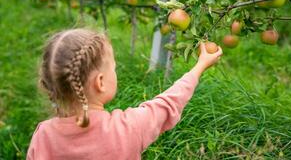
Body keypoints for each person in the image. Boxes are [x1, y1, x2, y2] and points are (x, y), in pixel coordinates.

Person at [27, 28, 222, 160]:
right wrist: (199, 66)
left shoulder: (43, 136)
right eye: (114, 67)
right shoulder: (128, 128)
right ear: (100, 82)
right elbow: (168, 103)